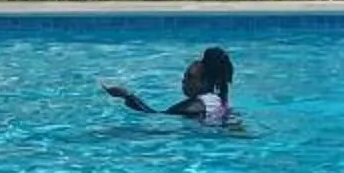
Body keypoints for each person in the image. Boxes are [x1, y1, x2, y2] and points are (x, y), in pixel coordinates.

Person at [103, 46, 242, 129]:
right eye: (185, 76)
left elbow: (154, 115)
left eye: (190, 77)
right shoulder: (218, 100)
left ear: (205, 81)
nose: (184, 81)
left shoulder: (195, 106)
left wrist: (127, 95)